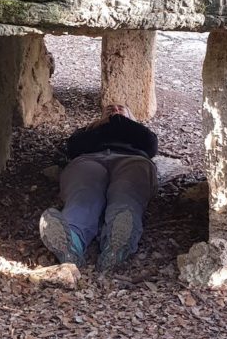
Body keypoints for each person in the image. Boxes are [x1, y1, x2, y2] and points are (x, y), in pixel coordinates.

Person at [39, 104, 158, 271]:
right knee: (84, 193)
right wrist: (101, 125)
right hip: (89, 160)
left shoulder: (137, 130)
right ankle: (71, 241)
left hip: (132, 159)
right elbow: (74, 147)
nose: (115, 109)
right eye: (109, 109)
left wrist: (123, 122)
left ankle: (117, 246)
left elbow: (151, 146)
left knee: (126, 192)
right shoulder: (90, 130)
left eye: (121, 108)